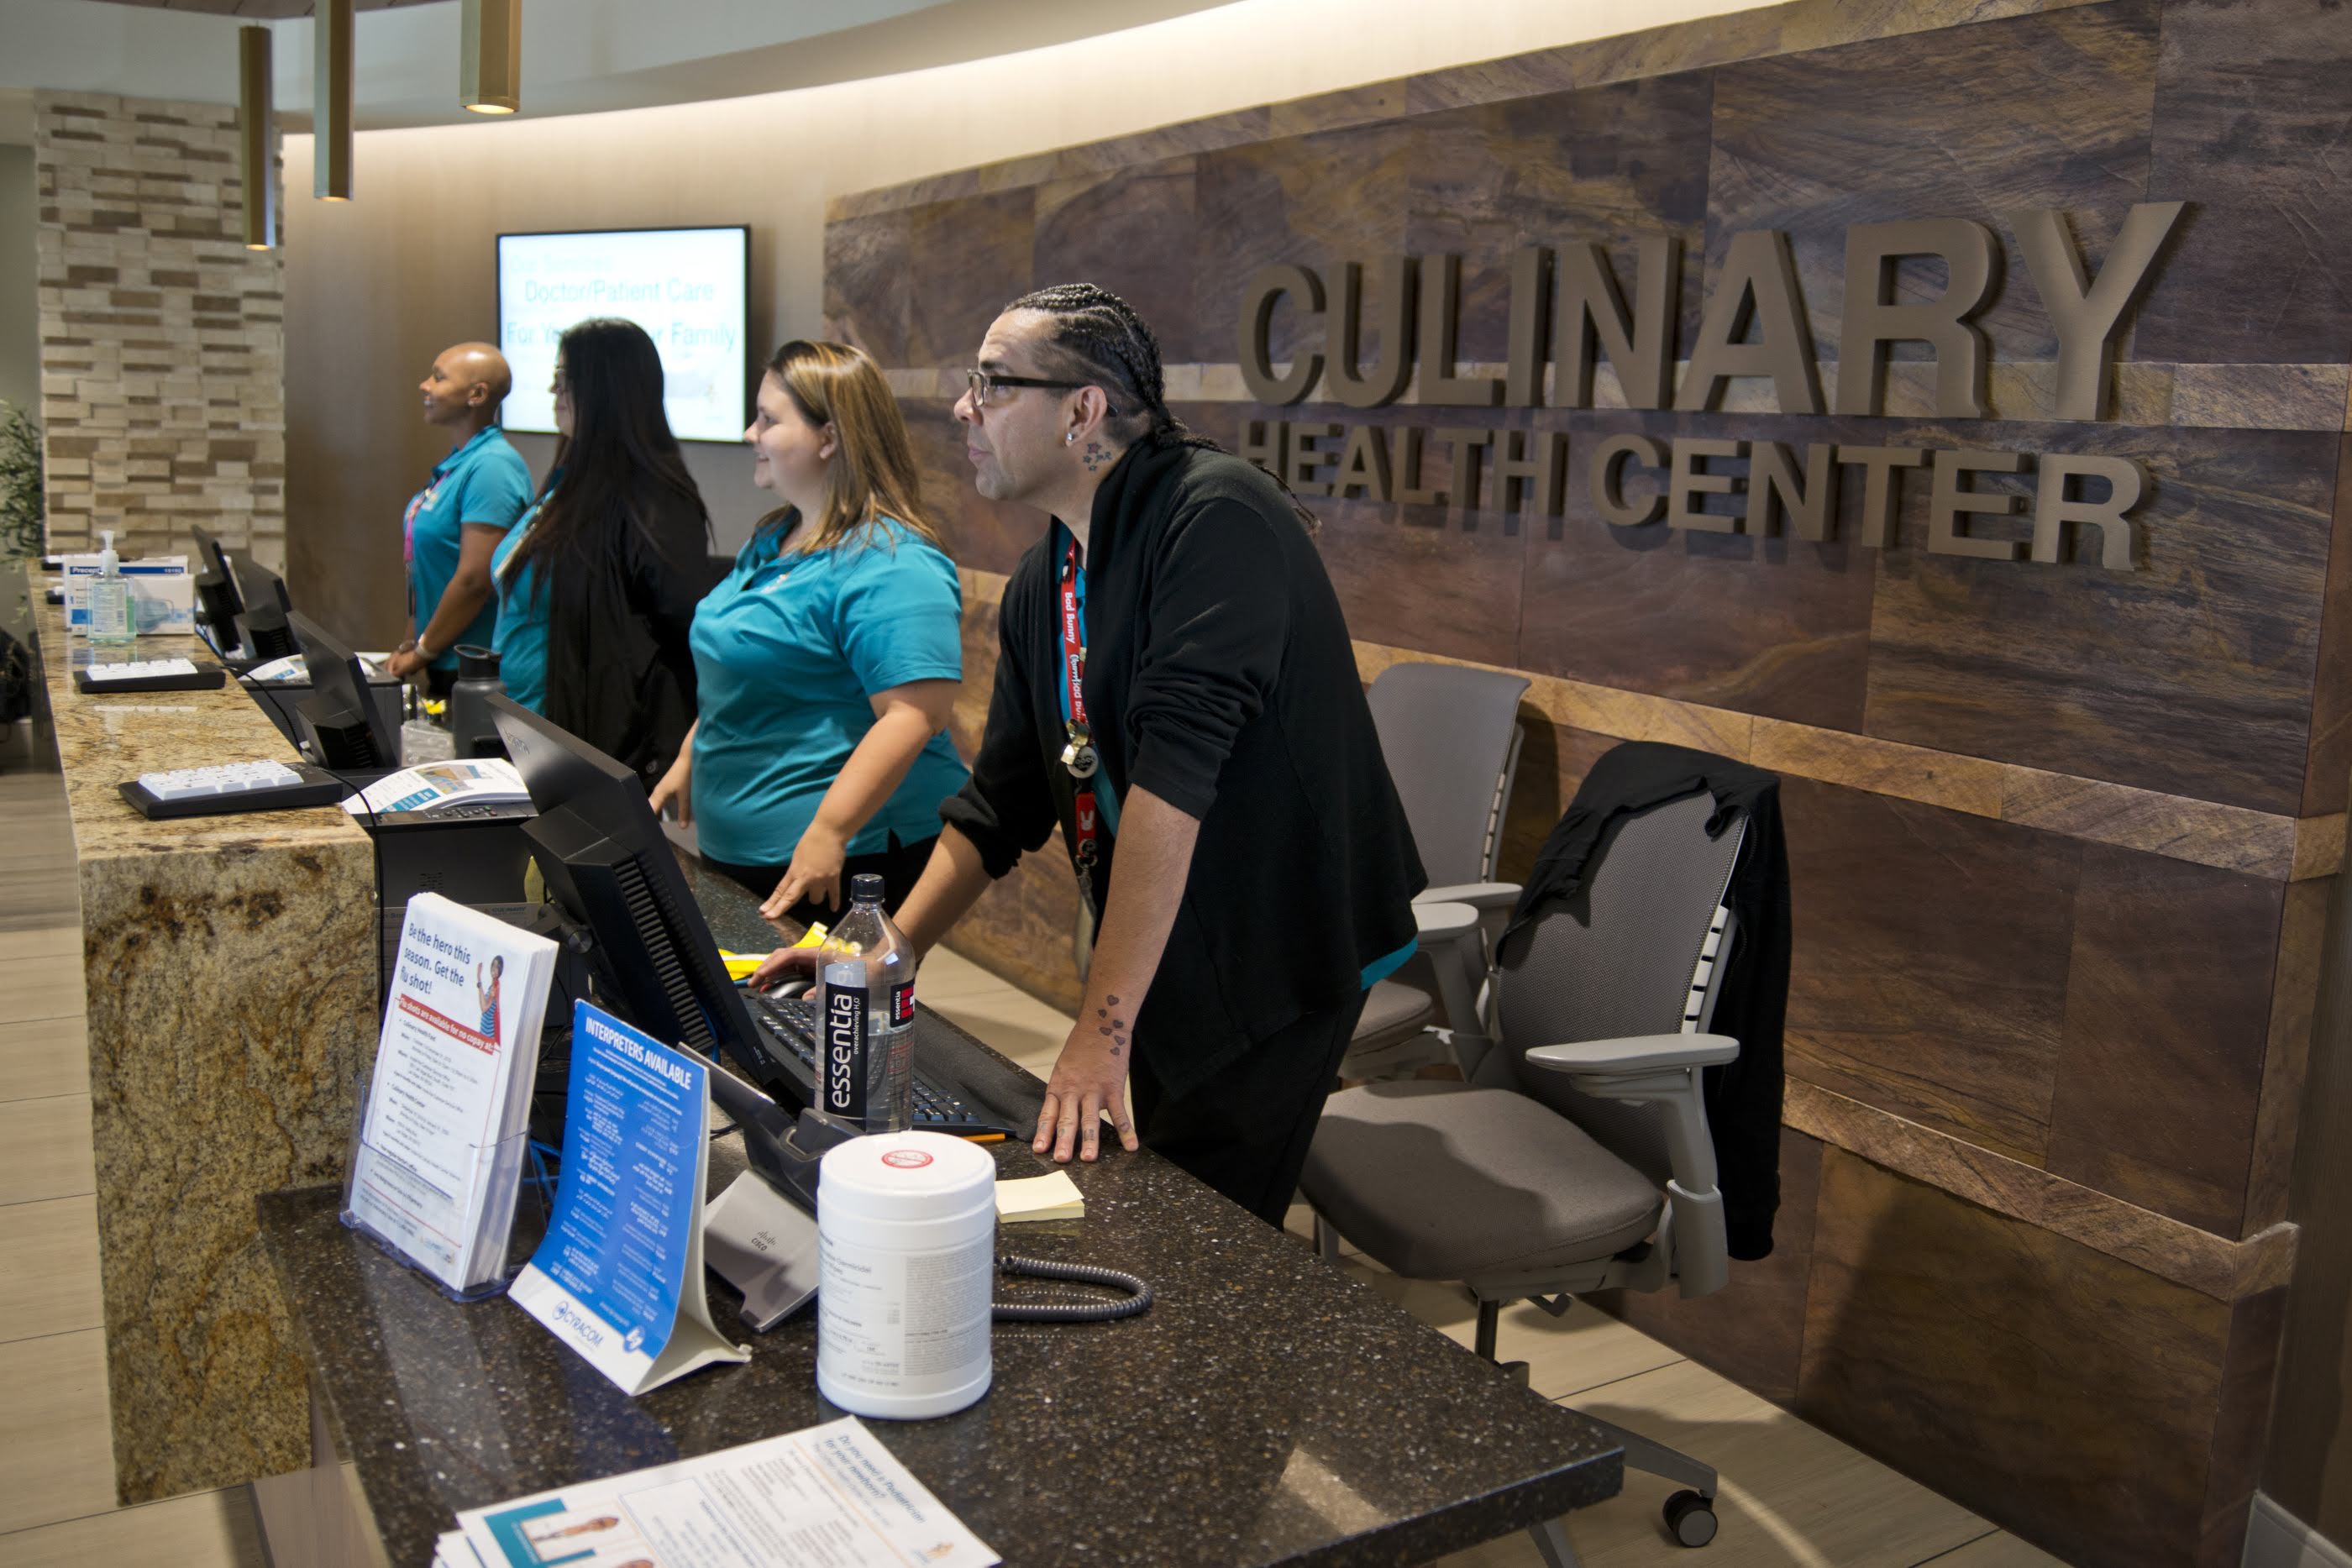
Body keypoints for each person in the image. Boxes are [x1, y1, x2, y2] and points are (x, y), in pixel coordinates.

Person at [753, 285, 1425, 1226]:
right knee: (1153, 1181)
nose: (962, 409)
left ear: (1083, 410)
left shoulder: (1216, 516)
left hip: (1280, 931)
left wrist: (1097, 1032)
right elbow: (1002, 804)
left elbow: (1171, 784)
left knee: (1206, 1218)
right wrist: (884, 957)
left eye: (991, 384)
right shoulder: (1049, 571)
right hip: (1167, 926)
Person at [649, 340, 967, 927]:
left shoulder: (894, 562)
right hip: (743, 847)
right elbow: (745, 668)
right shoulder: (775, 537)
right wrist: (691, 754)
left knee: (815, 1018)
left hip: (842, 858)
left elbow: (914, 716)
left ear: (829, 437)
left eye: (769, 420)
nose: (751, 433)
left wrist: (829, 831)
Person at [489, 319, 718, 787]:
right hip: (528, 732)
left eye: (567, 378)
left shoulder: (653, 499)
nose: (554, 389)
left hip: (586, 749)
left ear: (607, 389)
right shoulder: (569, 483)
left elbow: (683, 629)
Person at [387, 342, 533, 694]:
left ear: (477, 394)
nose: (425, 385)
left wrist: (423, 651)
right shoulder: (461, 462)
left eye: (438, 378)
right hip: (443, 657)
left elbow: (474, 579)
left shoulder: (493, 467)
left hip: (472, 669)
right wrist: (414, 640)